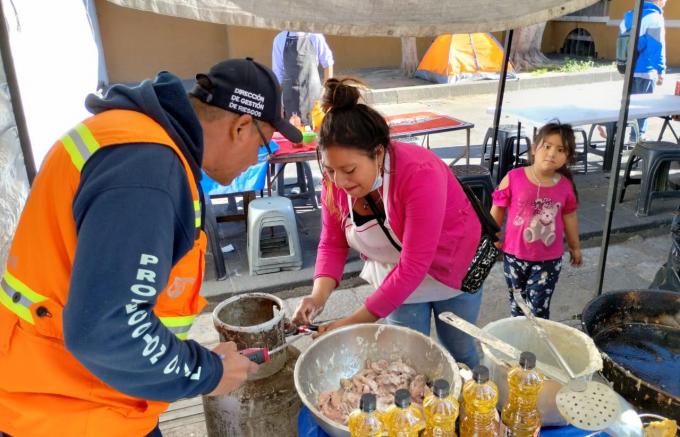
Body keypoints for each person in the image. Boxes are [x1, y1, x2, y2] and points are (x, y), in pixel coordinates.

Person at [0, 57, 302, 437]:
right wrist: (208, 371)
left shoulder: (133, 140)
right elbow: (110, 327)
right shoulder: (148, 172)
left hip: (83, 394)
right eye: (264, 144)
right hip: (70, 410)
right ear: (241, 127)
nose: (256, 160)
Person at [292, 78, 484, 368]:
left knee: (459, 351)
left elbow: (415, 264)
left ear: (379, 153)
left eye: (350, 170)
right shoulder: (334, 181)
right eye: (330, 170)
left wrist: (354, 322)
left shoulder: (420, 173)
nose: (340, 182)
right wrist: (317, 297)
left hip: (452, 266)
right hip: (396, 275)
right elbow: (332, 243)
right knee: (406, 359)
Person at [490, 122, 583, 320]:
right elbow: (497, 207)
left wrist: (575, 247)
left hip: (548, 261)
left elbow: (570, 216)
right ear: (534, 148)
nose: (551, 153)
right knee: (518, 305)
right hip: (514, 256)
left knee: (539, 308)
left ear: (567, 157)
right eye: (547, 146)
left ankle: (538, 342)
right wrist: (493, 236)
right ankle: (520, 339)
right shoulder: (513, 177)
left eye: (560, 150)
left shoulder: (565, 186)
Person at [620, 0, 667, 142]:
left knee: (627, 104)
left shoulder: (628, 16)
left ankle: (614, 131)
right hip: (646, 71)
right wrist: (660, 70)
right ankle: (636, 138)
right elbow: (656, 47)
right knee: (642, 107)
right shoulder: (654, 18)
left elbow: (622, 45)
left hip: (628, 70)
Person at [272, 31, 334, 126]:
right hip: (290, 96)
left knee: (315, 129)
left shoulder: (316, 36)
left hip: (313, 94)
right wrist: (278, 105)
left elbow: (328, 62)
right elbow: (277, 73)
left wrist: (328, 93)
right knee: (293, 133)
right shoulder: (280, 39)